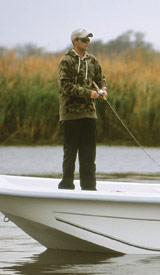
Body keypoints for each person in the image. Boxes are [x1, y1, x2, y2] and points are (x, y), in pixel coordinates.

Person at [57, 28, 107, 191]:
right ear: (75, 41)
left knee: (88, 156)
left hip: (89, 114)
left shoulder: (92, 60)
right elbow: (66, 87)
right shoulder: (66, 61)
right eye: (84, 40)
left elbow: (100, 78)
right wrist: (89, 93)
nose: (87, 43)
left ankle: (89, 189)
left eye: (88, 40)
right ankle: (66, 187)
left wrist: (102, 89)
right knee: (70, 154)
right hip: (70, 115)